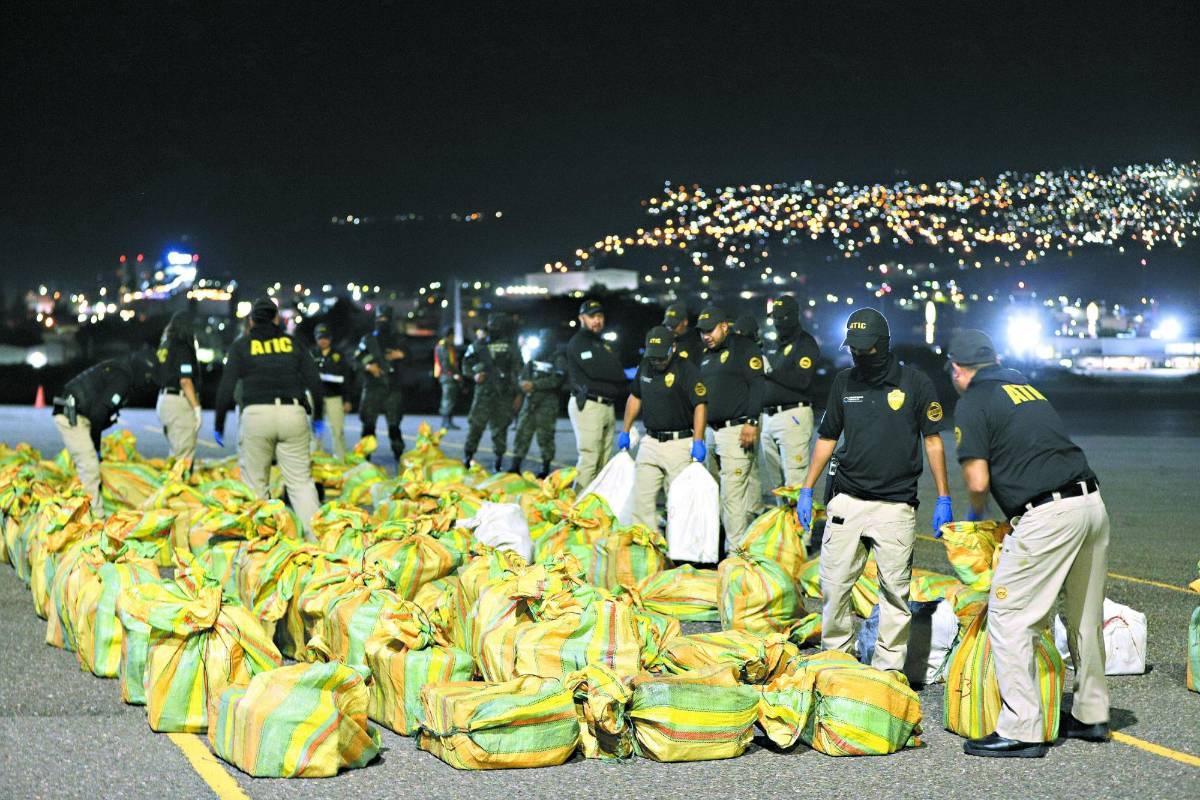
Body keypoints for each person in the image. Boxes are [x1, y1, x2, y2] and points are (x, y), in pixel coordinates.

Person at [948, 330, 1109, 759]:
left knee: (1010, 615)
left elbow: (978, 480)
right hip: (1091, 503)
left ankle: (1022, 728)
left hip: (1049, 516)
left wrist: (971, 520)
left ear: (958, 370)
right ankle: (1092, 714)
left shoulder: (973, 400)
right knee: (1084, 616)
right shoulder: (1025, 387)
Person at [796, 308, 953, 674]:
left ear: (882, 346)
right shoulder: (844, 383)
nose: (858, 355)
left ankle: (887, 673)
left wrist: (944, 496)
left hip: (895, 506)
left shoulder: (914, 384)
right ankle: (835, 664)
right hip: (847, 500)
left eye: (864, 349)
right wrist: (807, 487)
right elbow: (827, 437)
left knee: (895, 596)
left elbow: (932, 440)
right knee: (834, 588)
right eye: (853, 348)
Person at [214, 297, 324, 535]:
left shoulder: (242, 345)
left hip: (257, 414)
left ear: (252, 320)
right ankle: (318, 540)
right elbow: (315, 382)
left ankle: (264, 544)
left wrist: (219, 423)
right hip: (293, 413)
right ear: (277, 319)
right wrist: (318, 417)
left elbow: (226, 387)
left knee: (256, 484)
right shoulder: (293, 344)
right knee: (300, 483)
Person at [620, 326, 708, 530]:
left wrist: (698, 441)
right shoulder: (646, 364)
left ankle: (677, 553)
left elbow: (700, 405)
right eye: (653, 357)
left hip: (679, 444)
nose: (657, 362)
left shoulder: (687, 369)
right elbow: (635, 396)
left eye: (661, 357)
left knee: (678, 503)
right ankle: (648, 549)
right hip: (650, 442)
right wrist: (625, 430)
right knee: (641, 500)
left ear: (673, 348)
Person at [52, 351, 158, 510]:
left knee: (88, 466)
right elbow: (98, 414)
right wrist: (96, 448)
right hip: (73, 416)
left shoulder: (119, 370)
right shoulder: (123, 379)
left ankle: (82, 507)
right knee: (90, 469)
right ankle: (95, 518)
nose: (148, 381)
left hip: (75, 413)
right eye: (148, 376)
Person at [696, 306, 765, 548]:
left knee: (733, 495)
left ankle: (735, 554)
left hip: (736, 431)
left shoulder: (744, 347)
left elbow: (758, 386)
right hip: (711, 432)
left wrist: (752, 421)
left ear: (724, 326)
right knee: (715, 493)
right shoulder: (705, 354)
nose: (706, 336)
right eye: (702, 332)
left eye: (710, 330)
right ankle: (718, 545)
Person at [761, 295, 821, 495]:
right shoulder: (774, 345)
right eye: (774, 317)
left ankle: (800, 527)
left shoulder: (805, 343)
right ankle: (784, 526)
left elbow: (802, 380)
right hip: (768, 418)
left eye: (781, 317)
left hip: (793, 414)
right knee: (777, 486)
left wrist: (770, 371)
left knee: (794, 483)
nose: (777, 322)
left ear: (793, 316)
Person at [565, 299, 626, 491]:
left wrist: (614, 371)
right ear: (582, 318)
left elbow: (617, 370)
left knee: (603, 461)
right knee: (590, 458)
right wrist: (614, 371)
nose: (597, 320)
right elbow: (598, 371)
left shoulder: (600, 342)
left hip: (606, 405)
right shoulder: (579, 342)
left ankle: (593, 507)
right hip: (589, 404)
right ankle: (577, 508)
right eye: (592, 316)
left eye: (600, 316)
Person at [462, 313, 522, 472]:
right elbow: (466, 365)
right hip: (485, 392)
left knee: (500, 429)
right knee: (476, 426)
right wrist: (475, 375)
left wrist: (518, 394)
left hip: (503, 393)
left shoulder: (510, 346)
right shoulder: (479, 345)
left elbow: (518, 371)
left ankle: (497, 462)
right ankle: (468, 458)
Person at [355, 306, 408, 462]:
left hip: (392, 388)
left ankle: (398, 456)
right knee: (368, 426)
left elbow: (410, 356)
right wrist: (369, 366)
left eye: (385, 319)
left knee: (394, 426)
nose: (382, 322)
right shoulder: (368, 340)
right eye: (380, 319)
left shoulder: (398, 339)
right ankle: (365, 457)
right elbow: (357, 358)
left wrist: (401, 354)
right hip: (372, 387)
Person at [509, 335, 566, 477]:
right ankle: (515, 467)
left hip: (547, 403)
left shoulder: (559, 359)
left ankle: (545, 470)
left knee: (545, 436)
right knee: (522, 433)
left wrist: (535, 385)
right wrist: (523, 384)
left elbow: (557, 381)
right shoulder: (534, 357)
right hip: (530, 401)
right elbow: (523, 374)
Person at [154, 310, 202, 471]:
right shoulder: (182, 346)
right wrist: (196, 407)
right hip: (178, 402)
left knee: (175, 455)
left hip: (163, 400)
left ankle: (170, 491)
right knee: (184, 459)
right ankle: (178, 493)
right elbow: (185, 380)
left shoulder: (165, 345)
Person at [312, 323, 354, 459]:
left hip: (334, 397)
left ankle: (340, 460)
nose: (323, 340)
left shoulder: (338, 355)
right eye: (320, 338)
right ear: (316, 339)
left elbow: (346, 378)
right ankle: (315, 458)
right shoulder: (311, 353)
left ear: (330, 338)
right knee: (316, 431)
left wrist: (347, 399)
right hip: (315, 398)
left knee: (337, 431)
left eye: (325, 337)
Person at [433, 326, 463, 430]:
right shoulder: (443, 346)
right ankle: (446, 422)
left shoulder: (448, 345)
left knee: (450, 398)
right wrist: (453, 374)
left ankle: (448, 421)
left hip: (448, 375)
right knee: (447, 399)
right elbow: (445, 362)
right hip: (447, 375)